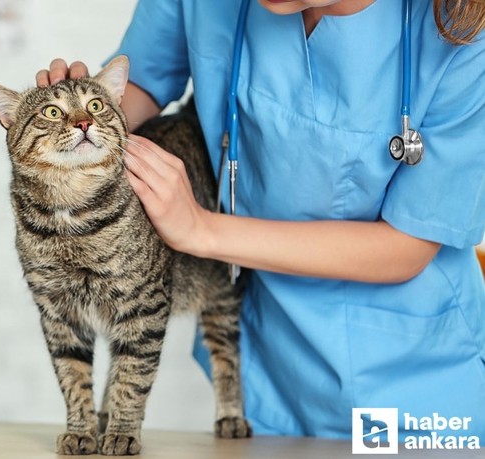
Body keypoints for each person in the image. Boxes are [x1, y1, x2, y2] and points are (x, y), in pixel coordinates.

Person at [34, 0, 485, 441]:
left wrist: (201, 229)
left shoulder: (464, 29)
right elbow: (140, 84)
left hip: (415, 383)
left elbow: (406, 247)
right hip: (266, 369)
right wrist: (75, 122)